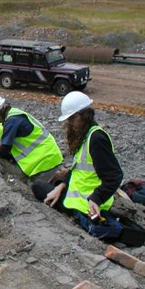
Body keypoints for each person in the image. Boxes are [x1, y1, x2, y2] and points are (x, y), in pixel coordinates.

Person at [32, 92, 123, 223]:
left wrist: (96, 199)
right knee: (44, 185)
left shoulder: (96, 139)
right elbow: (77, 170)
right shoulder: (87, 136)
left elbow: (114, 176)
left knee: (38, 186)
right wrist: (61, 186)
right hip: (78, 196)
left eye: (71, 119)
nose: (69, 123)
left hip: (86, 205)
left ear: (81, 116)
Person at [0, 93, 63, 183]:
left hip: (45, 161)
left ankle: (61, 176)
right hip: (48, 157)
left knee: (41, 190)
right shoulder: (12, 115)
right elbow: (20, 140)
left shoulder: (11, 121)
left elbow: (3, 151)